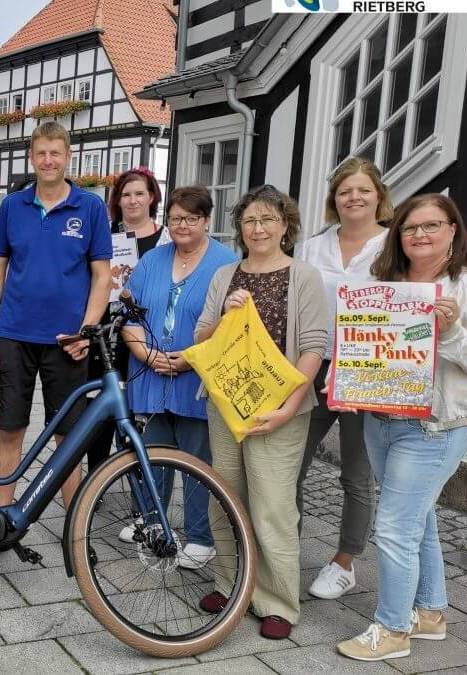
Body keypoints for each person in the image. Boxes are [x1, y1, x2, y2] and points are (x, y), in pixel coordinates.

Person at [337, 194, 467, 661]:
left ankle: (393, 630)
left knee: (396, 527)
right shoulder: (388, 283)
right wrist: (346, 380)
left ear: (453, 230)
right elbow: (366, 343)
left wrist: (453, 332)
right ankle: (432, 614)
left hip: (435, 428)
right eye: (410, 227)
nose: (419, 234)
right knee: (422, 522)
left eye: (431, 225)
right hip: (381, 420)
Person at [195, 185, 328, 640]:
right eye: (250, 221)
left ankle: (276, 601)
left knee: (271, 506)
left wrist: (289, 408)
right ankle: (230, 583)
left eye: (268, 219)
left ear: (286, 226)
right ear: (240, 228)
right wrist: (224, 318)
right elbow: (202, 337)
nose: (258, 228)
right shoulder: (226, 275)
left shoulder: (303, 276)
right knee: (226, 497)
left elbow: (314, 348)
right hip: (227, 404)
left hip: (279, 408)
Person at [0, 121, 112, 565]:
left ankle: (74, 536)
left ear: (68, 156)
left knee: (67, 440)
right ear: (32, 157)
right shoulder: (12, 207)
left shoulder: (90, 207)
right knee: (10, 430)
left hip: (66, 342)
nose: (49, 161)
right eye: (41, 154)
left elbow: (102, 275)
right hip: (15, 335)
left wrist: (88, 330)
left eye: (56, 152)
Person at [119, 186, 238, 569]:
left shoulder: (227, 264)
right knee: (152, 454)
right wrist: (144, 352)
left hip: (198, 378)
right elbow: (130, 312)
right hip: (151, 373)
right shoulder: (153, 259)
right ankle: (152, 524)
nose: (181, 225)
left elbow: (232, 326)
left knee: (198, 460)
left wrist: (189, 359)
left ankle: (201, 538)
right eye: (174, 219)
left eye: (190, 218)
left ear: (206, 220)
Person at [294, 157, 391, 599]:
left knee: (356, 472)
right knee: (289, 464)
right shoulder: (314, 248)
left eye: (362, 190)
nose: (354, 198)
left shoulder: (392, 246)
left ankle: (344, 562)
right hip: (312, 366)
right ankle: (282, 547)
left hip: (365, 372)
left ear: (378, 196)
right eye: (345, 191)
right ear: (335, 199)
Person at [85, 166, 173, 473]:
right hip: (107, 336)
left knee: (139, 411)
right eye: (126, 195)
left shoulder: (167, 239)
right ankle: (95, 477)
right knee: (101, 409)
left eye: (139, 194)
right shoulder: (105, 236)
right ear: (117, 201)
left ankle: (137, 477)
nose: (133, 201)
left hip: (147, 336)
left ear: (152, 197)